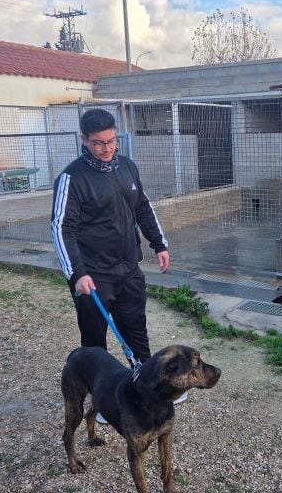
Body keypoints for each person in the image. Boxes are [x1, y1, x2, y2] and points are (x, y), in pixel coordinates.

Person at [51, 108, 186, 405]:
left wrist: (159, 243)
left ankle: (149, 387)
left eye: (111, 141)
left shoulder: (127, 166)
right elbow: (61, 229)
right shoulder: (72, 178)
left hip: (128, 268)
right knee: (94, 342)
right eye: (98, 143)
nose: (107, 148)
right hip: (92, 274)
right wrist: (77, 273)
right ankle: (101, 401)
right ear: (84, 140)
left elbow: (142, 208)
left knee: (136, 329)